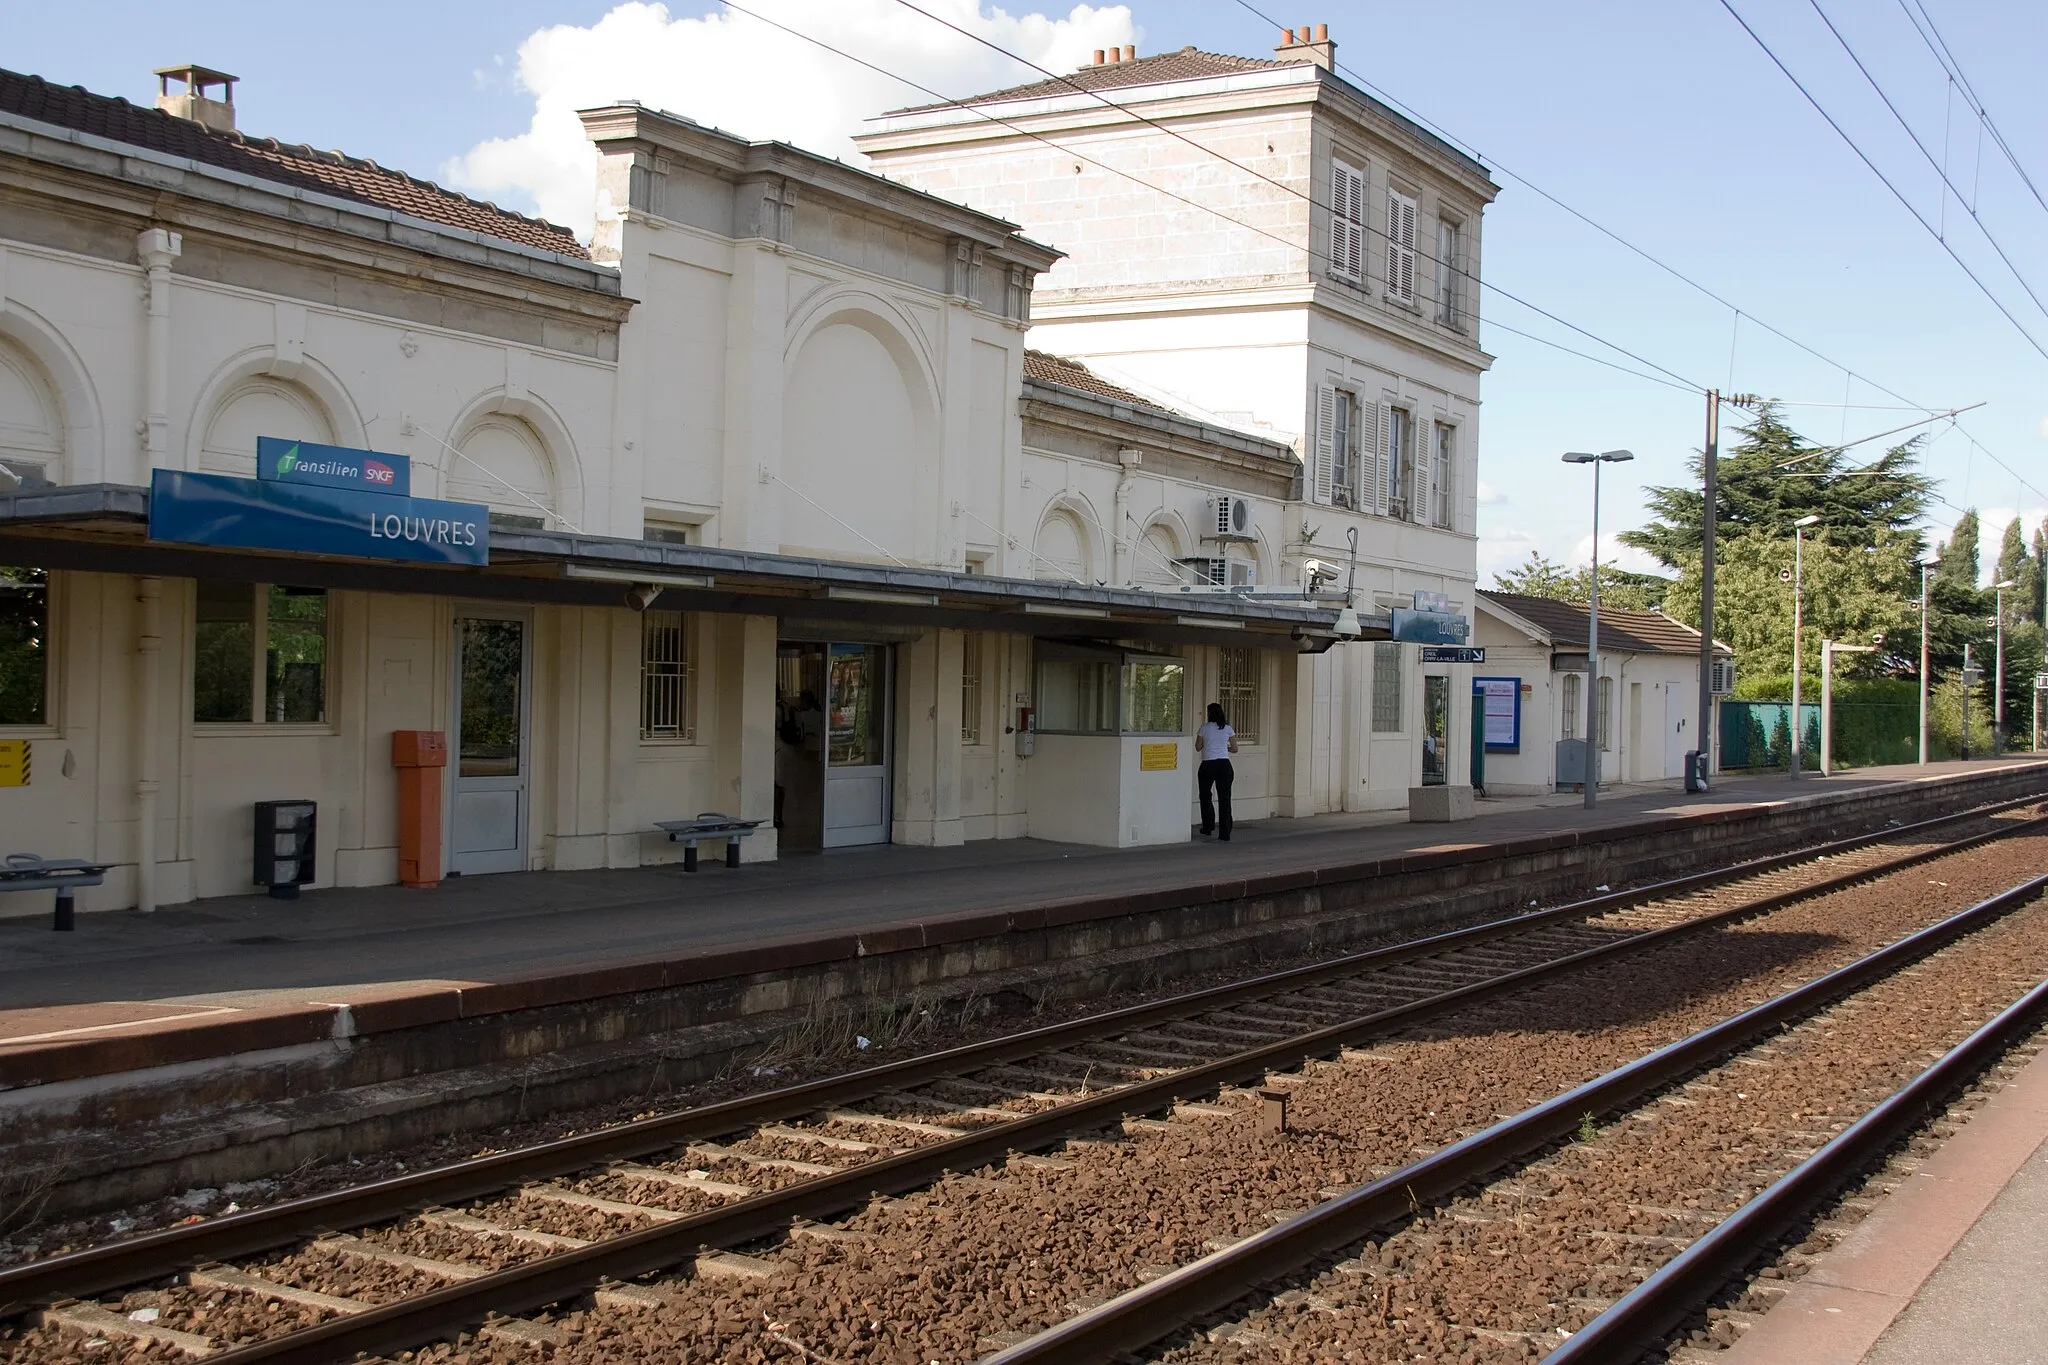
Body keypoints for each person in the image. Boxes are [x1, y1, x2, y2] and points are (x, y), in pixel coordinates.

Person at [1195, 701, 1238, 840]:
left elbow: (1198, 747)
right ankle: (1225, 833)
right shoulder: (1227, 728)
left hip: (1208, 764)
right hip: (1224, 764)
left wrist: (1209, 744)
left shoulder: (1204, 728)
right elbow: (1235, 749)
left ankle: (1208, 826)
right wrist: (1224, 748)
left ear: (1209, 714)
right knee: (1225, 798)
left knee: (1205, 795)